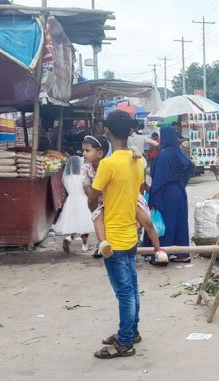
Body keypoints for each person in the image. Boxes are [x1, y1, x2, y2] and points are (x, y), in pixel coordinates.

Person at [87, 110, 147, 359]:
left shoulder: (108, 164)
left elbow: (92, 200)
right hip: (130, 234)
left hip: (112, 239)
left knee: (124, 293)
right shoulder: (138, 161)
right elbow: (140, 188)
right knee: (131, 287)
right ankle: (131, 332)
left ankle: (124, 343)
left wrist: (99, 200)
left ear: (107, 132)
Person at [81, 134, 166, 261]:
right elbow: (87, 187)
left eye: (87, 150)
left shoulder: (111, 162)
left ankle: (158, 249)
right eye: (83, 150)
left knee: (146, 222)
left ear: (100, 153)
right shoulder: (86, 168)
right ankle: (103, 243)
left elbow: (134, 160)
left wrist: (136, 152)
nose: (83, 154)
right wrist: (96, 199)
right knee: (97, 216)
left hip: (126, 197)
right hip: (104, 200)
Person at [143, 126, 194, 265]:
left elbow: (159, 178)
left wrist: (153, 196)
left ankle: (162, 254)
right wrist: (182, 183)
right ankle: (182, 254)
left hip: (166, 193)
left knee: (166, 223)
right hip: (179, 192)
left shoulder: (164, 154)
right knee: (180, 222)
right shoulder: (180, 153)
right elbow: (190, 166)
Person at [54, 156, 95, 253]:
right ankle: (84, 246)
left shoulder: (67, 177)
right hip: (83, 200)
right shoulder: (82, 176)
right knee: (85, 224)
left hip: (71, 201)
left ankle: (68, 238)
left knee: (76, 223)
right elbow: (86, 188)